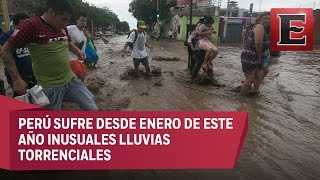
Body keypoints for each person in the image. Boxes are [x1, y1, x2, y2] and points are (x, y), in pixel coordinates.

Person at [0, 0, 98, 111]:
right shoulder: (31, 25)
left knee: (92, 108)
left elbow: (67, 42)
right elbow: (5, 51)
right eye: (63, 19)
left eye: (67, 20)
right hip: (49, 86)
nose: (66, 23)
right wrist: (17, 80)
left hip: (70, 79)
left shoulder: (62, 26)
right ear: (51, 12)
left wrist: (78, 52)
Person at [0, 13, 37, 97]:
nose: (25, 29)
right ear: (15, 25)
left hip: (34, 75)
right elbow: (3, 53)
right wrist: (16, 79)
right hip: (18, 75)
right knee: (22, 99)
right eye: (22, 25)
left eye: (27, 25)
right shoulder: (6, 36)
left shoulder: (33, 36)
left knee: (38, 98)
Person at [240, 13, 270, 96]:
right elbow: (258, 44)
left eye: (269, 19)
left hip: (252, 54)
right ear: (260, 19)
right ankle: (241, 98)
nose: (268, 20)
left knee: (259, 74)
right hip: (251, 55)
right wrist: (260, 57)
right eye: (265, 18)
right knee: (250, 77)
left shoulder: (262, 28)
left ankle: (254, 93)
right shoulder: (260, 27)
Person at [67, 12, 88, 82]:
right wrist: (69, 39)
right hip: (71, 58)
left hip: (81, 57)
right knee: (80, 76)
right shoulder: (70, 28)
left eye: (85, 21)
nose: (83, 23)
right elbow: (60, 31)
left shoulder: (83, 32)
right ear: (77, 20)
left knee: (83, 76)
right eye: (81, 20)